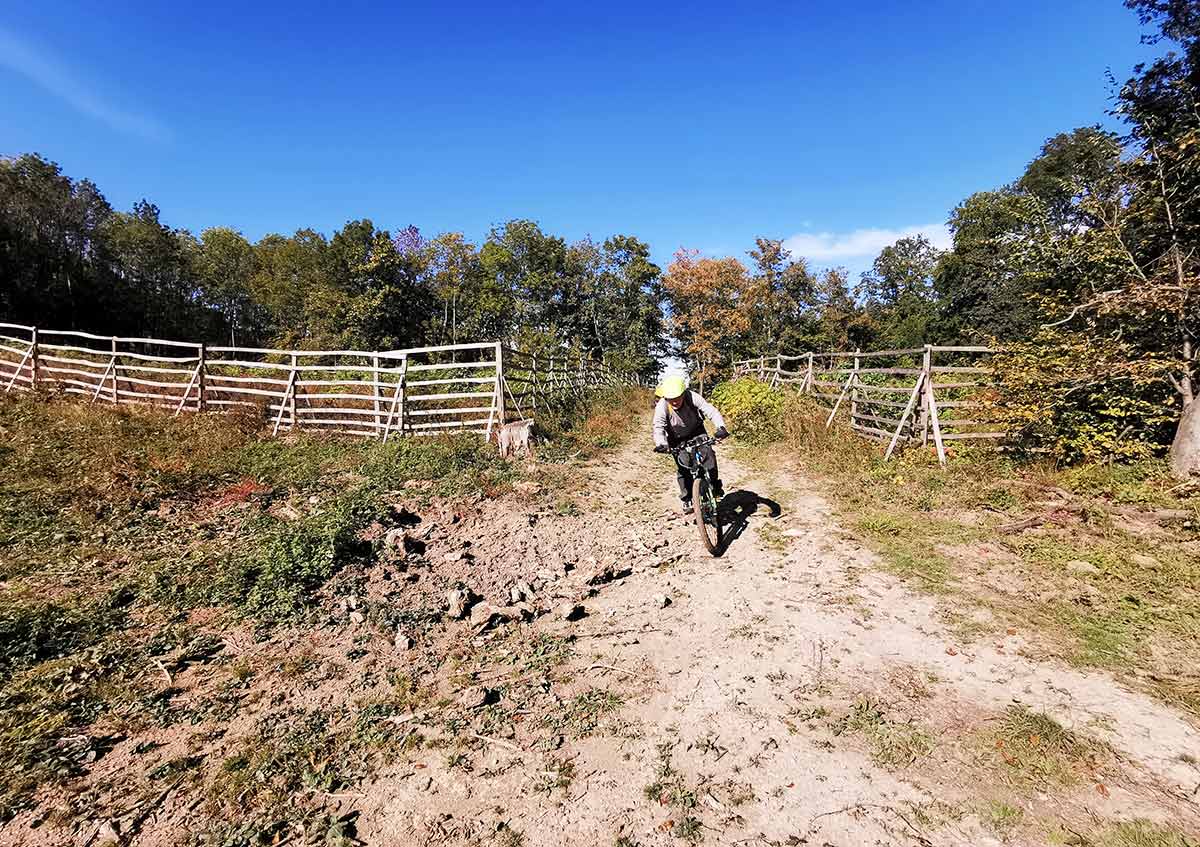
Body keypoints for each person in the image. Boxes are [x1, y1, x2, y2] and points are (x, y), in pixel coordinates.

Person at [652, 375, 730, 512]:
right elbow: (658, 426)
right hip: (676, 438)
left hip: (697, 431)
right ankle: (687, 498)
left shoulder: (692, 397)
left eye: (677, 398)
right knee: (683, 466)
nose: (674, 402)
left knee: (709, 456)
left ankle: (715, 487)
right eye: (671, 399)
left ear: (683, 393)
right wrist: (661, 444)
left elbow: (710, 411)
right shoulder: (662, 406)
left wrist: (721, 427)